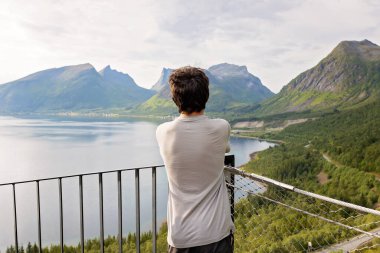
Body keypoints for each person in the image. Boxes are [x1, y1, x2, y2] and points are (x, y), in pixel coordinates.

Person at [156, 66, 234, 253]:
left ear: (175, 98)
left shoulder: (162, 131)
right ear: (205, 96)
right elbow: (225, 148)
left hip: (180, 236)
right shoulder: (222, 127)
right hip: (216, 233)